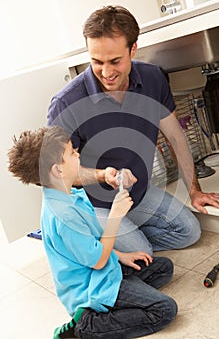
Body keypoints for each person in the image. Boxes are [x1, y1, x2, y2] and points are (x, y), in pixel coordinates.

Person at [47, 5, 219, 256]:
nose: (106, 72)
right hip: (95, 206)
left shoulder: (153, 78)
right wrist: (103, 176)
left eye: (115, 61)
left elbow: (176, 138)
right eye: (96, 62)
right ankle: (102, 245)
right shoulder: (67, 103)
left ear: (133, 49)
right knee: (142, 252)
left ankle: (112, 243)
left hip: (136, 193)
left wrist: (194, 191)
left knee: (189, 232)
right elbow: (60, 175)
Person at [8, 126, 177, 339]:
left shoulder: (68, 195)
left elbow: (91, 245)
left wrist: (121, 256)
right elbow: (97, 261)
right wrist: (115, 216)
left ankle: (116, 298)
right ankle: (85, 327)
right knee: (164, 310)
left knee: (163, 268)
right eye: (71, 153)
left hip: (104, 271)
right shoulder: (64, 217)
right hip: (91, 288)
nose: (78, 154)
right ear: (58, 170)